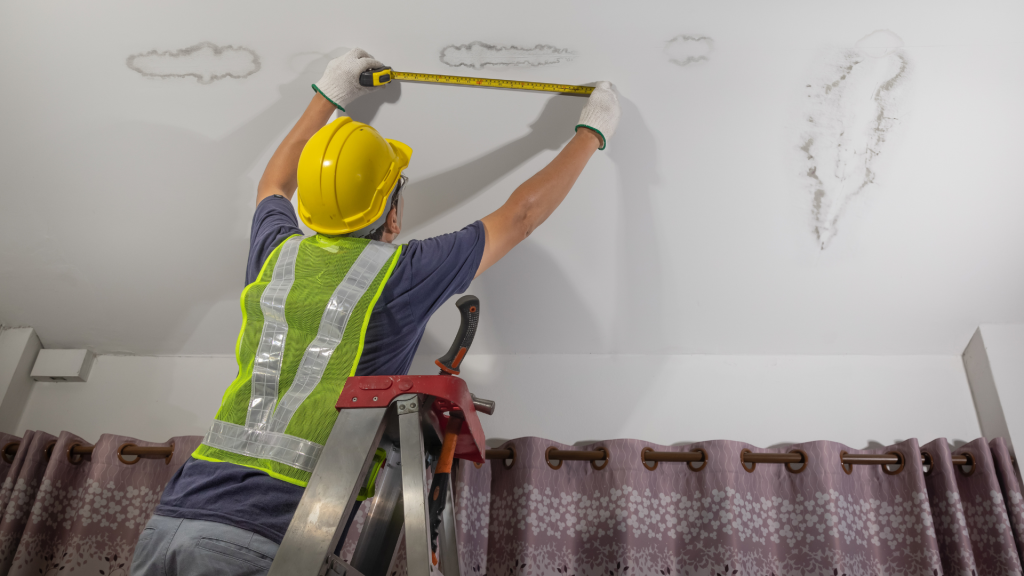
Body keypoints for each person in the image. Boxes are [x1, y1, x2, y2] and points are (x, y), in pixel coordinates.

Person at [131, 48, 619, 575]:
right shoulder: (403, 272)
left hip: (171, 524)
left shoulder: (276, 251)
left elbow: (272, 183)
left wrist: (329, 96)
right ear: (391, 212)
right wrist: (593, 131)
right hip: (265, 537)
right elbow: (520, 217)